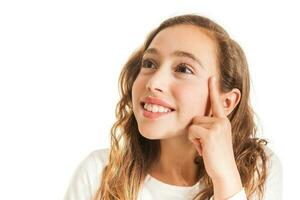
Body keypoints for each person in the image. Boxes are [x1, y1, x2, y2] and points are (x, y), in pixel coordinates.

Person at [64, 14, 282, 200]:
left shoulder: (257, 169)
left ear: (226, 102)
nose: (153, 82)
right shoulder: (98, 172)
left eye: (184, 69)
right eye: (149, 64)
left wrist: (225, 178)